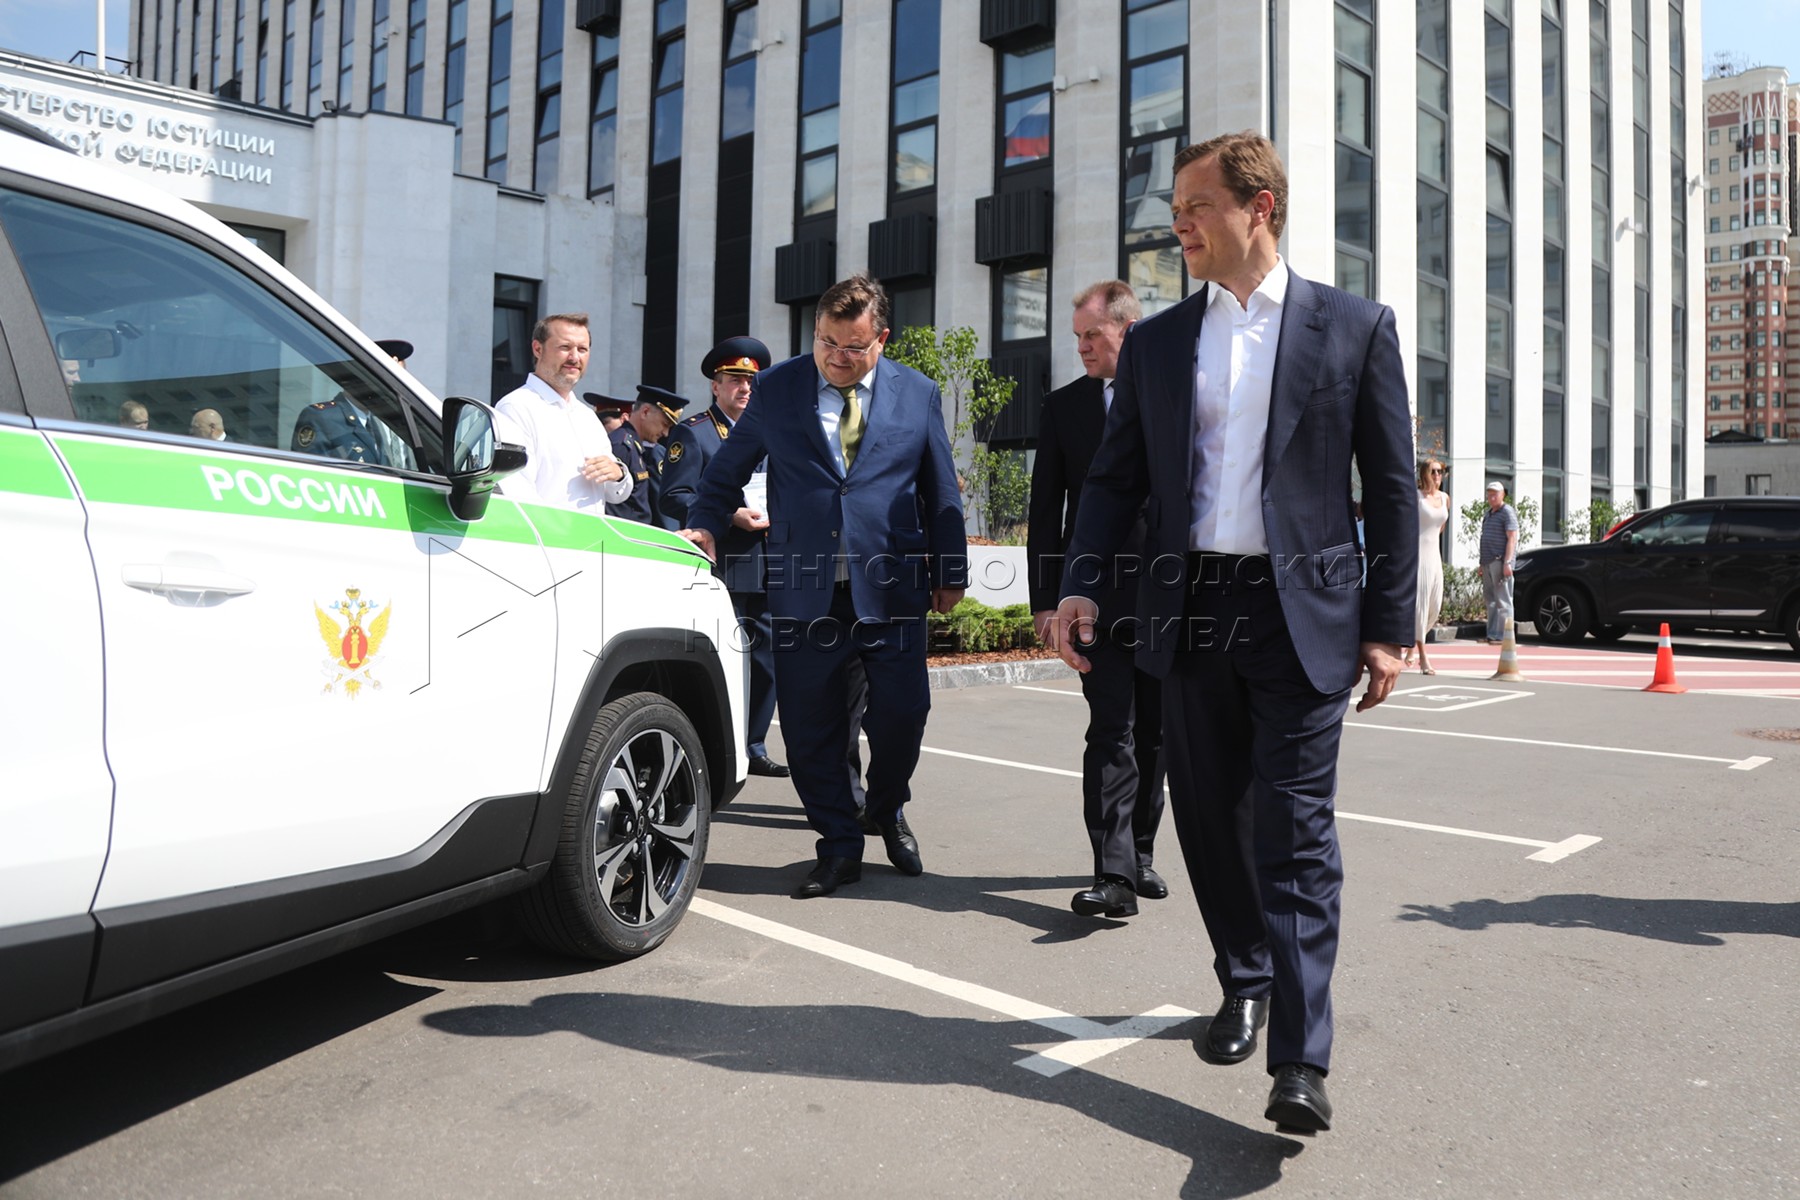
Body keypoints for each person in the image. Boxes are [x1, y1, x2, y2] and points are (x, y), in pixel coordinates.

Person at [1051, 131, 1417, 1134]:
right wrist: (1080, 584)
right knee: (1211, 821)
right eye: (1176, 210)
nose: (1179, 226)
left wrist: (1388, 627)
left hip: (1303, 617)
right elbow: (1117, 476)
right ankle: (1244, 975)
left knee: (1294, 835)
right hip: (1189, 608)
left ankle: (1301, 1059)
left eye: (1196, 206)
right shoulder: (1164, 341)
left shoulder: (1354, 328)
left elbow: (1388, 491)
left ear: (1259, 208)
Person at [678, 274, 966, 900]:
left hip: (890, 587)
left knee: (903, 717)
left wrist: (951, 569)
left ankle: (885, 808)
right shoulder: (779, 388)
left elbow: (940, 485)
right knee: (811, 731)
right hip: (804, 588)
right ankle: (837, 845)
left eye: (853, 346)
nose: (837, 356)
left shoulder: (916, 393)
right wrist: (703, 523)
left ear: (881, 339)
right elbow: (729, 470)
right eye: (826, 342)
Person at [1026, 279, 1167, 921]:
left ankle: (1140, 852)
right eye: (1077, 337)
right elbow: (1044, 515)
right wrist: (1045, 602)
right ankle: (1111, 874)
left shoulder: (1176, 396)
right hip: (1096, 600)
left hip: (1170, 598)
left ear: (1128, 332)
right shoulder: (1064, 409)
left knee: (1159, 733)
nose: (1082, 347)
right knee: (1113, 729)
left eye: (1093, 336)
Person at [660, 336, 788, 778]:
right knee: (722, 657)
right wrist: (730, 514)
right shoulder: (693, 432)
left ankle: (753, 743)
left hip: (770, 562)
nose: (745, 388)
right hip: (723, 563)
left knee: (768, 660)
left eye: (752, 380)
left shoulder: (773, 431)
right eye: (735, 380)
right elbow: (674, 495)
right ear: (716, 386)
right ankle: (719, 744)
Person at [493, 313, 631, 514]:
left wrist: (618, 473)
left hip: (593, 540)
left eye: (582, 349)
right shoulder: (516, 408)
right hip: (547, 541)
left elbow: (616, 494)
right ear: (538, 349)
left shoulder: (587, 417)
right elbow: (518, 494)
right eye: (565, 347)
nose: (575, 358)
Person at [608, 385, 686, 526]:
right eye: (664, 424)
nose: (665, 433)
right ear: (645, 412)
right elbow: (614, 507)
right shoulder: (621, 445)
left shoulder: (635, 445)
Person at [1407, 460, 1450, 674]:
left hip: (1434, 556)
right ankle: (1423, 657)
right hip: (1418, 555)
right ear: (1425, 473)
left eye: (1440, 471)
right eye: (1433, 471)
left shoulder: (1444, 499)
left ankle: (1410, 645)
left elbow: (1440, 527)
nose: (1437, 475)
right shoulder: (1416, 497)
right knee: (1420, 605)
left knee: (1435, 605)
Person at [1479, 481, 1519, 644]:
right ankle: (1493, 634)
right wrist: (1481, 564)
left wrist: (1507, 562)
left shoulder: (1507, 512)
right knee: (1491, 600)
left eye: (1495, 493)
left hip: (1500, 561)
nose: (1492, 496)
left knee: (1503, 600)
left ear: (1503, 495)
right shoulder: (1489, 514)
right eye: (1489, 493)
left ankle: (1504, 636)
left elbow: (1512, 538)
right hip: (1488, 562)